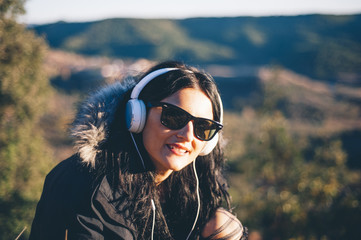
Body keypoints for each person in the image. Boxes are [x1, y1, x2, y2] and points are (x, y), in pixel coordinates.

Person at [29, 61, 247, 240]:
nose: (188, 135)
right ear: (136, 115)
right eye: (174, 117)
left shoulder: (199, 185)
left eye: (203, 127)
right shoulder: (85, 185)